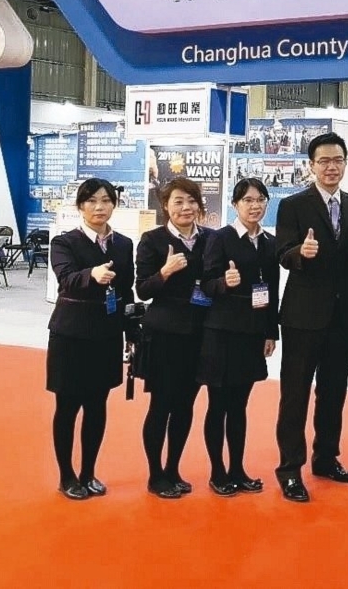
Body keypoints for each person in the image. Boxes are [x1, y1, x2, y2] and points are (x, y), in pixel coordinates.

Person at [275, 132, 348, 502]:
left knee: (334, 393)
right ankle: (290, 469)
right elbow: (282, 253)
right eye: (324, 161)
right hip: (302, 316)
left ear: (345, 163)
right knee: (294, 395)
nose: (331, 167)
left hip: (342, 318)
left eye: (338, 160)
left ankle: (326, 458)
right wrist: (302, 251)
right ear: (311, 165)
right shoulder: (292, 206)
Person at [47, 178, 137, 500]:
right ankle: (66, 475)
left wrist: (132, 334)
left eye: (106, 200)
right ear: (80, 206)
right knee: (68, 405)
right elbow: (67, 279)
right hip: (70, 335)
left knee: (97, 405)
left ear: (114, 204)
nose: (99, 207)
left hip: (106, 335)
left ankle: (88, 472)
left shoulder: (124, 244)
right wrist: (92, 275)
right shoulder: (64, 242)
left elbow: (127, 291)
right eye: (92, 201)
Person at [197, 178, 278, 497]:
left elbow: (271, 290)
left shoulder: (270, 242)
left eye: (261, 200)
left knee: (240, 405)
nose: (255, 205)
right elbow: (204, 284)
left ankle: (237, 469)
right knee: (219, 404)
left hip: (253, 332)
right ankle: (218, 471)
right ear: (235, 204)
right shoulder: (220, 238)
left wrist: (271, 332)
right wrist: (224, 282)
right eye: (248, 200)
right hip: (221, 332)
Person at [136, 177, 212, 499]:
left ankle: (173, 469)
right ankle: (156, 474)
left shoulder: (210, 239)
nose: (186, 207)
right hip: (165, 336)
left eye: (191, 201)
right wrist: (164, 272)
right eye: (178, 201)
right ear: (166, 205)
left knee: (185, 406)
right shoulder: (152, 240)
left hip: (200, 336)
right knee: (161, 405)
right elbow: (143, 289)